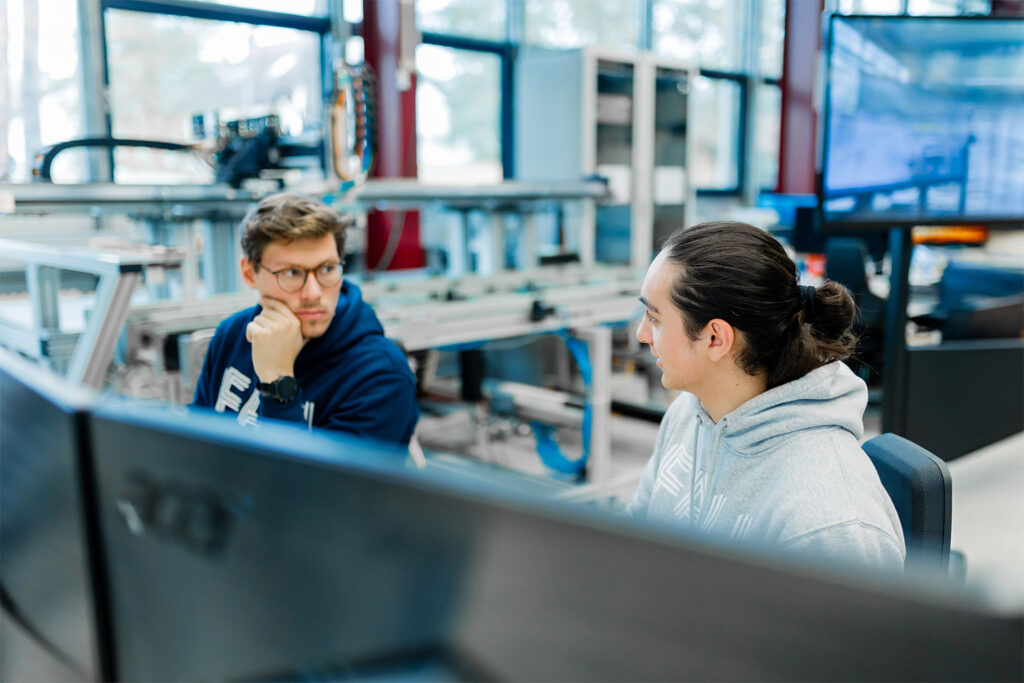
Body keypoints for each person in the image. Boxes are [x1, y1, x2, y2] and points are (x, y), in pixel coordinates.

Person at [625, 221, 905, 570]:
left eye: (654, 318)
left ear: (715, 338)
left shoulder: (829, 524)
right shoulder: (689, 412)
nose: (641, 334)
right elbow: (637, 536)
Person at [192, 193, 418, 445]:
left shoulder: (380, 376)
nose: (313, 293)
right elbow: (195, 445)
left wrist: (278, 384)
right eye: (292, 272)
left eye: (327, 269)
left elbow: (312, 484)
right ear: (249, 273)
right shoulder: (233, 334)